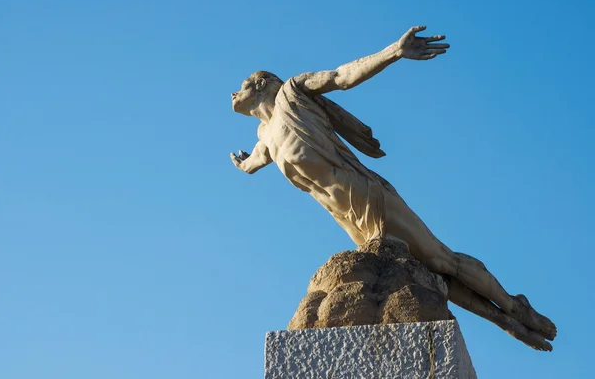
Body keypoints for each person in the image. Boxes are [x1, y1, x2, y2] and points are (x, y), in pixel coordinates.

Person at [229, 25, 556, 350]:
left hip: (368, 194)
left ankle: (513, 306)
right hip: (348, 219)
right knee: (431, 274)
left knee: (442, 260)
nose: (233, 94)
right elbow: (253, 164)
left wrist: (394, 52)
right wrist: (243, 163)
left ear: (261, 85)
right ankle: (505, 322)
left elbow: (342, 76)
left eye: (240, 86)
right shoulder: (265, 139)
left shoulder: (293, 93)